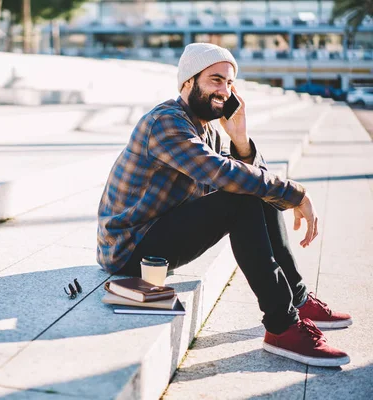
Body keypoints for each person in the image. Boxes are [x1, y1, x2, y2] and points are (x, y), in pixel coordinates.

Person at [96, 43, 352, 367]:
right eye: (216, 80)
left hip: (160, 236)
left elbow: (249, 177)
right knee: (242, 197)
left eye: (230, 83)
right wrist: (296, 194)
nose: (225, 90)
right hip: (128, 250)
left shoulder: (209, 130)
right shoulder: (166, 122)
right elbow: (224, 174)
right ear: (188, 82)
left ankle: (297, 299)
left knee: (254, 190)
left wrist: (241, 140)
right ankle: (281, 326)